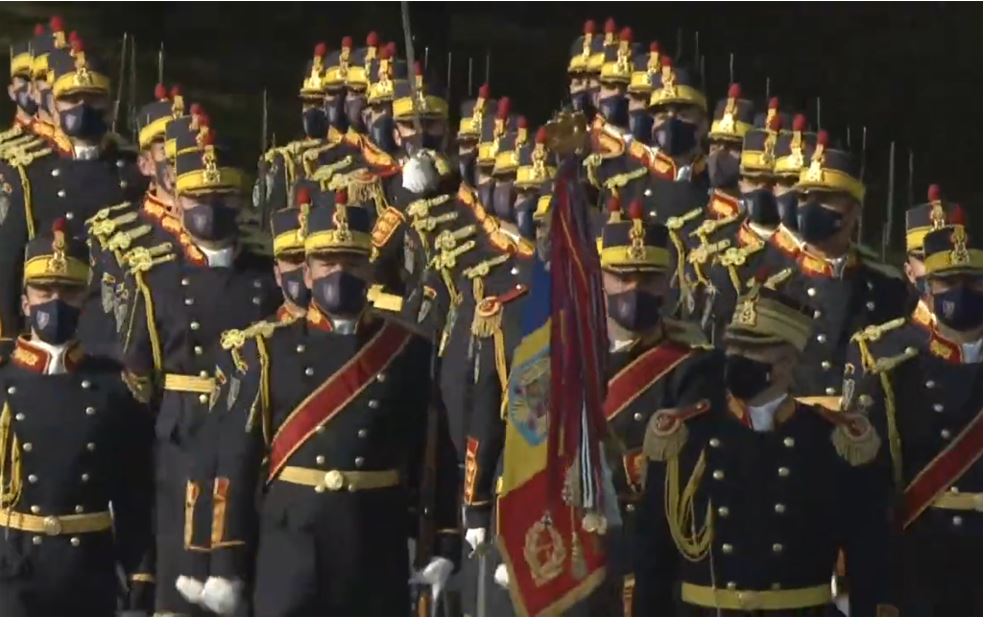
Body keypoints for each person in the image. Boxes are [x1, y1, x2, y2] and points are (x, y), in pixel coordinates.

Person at [175, 189, 460, 616]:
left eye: (352, 262)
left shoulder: (407, 351)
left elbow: (434, 454)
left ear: (369, 271)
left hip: (373, 546)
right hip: (292, 548)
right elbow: (237, 461)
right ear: (307, 273)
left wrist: (443, 542)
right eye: (327, 263)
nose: (339, 273)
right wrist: (226, 564)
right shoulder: (266, 352)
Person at [634, 278, 896, 616]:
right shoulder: (685, 437)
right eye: (735, 346)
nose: (739, 358)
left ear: (788, 360)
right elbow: (653, 559)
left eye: (755, 348)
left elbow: (868, 559)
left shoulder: (833, 442)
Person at [120, 119, 281, 615]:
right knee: (180, 568)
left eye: (220, 196)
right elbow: (140, 374)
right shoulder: (157, 277)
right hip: (182, 435)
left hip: (249, 429)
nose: (209, 208)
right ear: (178, 201)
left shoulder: (266, 275)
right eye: (197, 197)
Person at [0, 219, 153, 616]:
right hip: (13, 566)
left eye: (68, 291)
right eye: (44, 290)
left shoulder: (113, 386)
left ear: (84, 301)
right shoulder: (3, 380)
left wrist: (140, 572)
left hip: (87, 569)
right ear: (24, 301)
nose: (55, 301)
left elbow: (135, 490)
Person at [595, 196, 721, 615]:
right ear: (600, 278)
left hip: (655, 545)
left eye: (648, 278)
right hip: (584, 544)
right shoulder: (570, 356)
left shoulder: (693, 364)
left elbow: (692, 463)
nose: (634, 289)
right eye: (622, 276)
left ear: (666, 283)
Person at [846, 224, 981, 615]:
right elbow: (870, 500)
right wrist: (876, 591)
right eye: (947, 282)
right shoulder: (893, 378)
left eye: (974, 281)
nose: (962, 292)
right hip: (924, 561)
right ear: (927, 289)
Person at [758, 130, 907, 404]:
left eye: (825, 198)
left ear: (854, 210)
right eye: (805, 198)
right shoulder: (773, 284)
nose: (810, 208)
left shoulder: (887, 286)